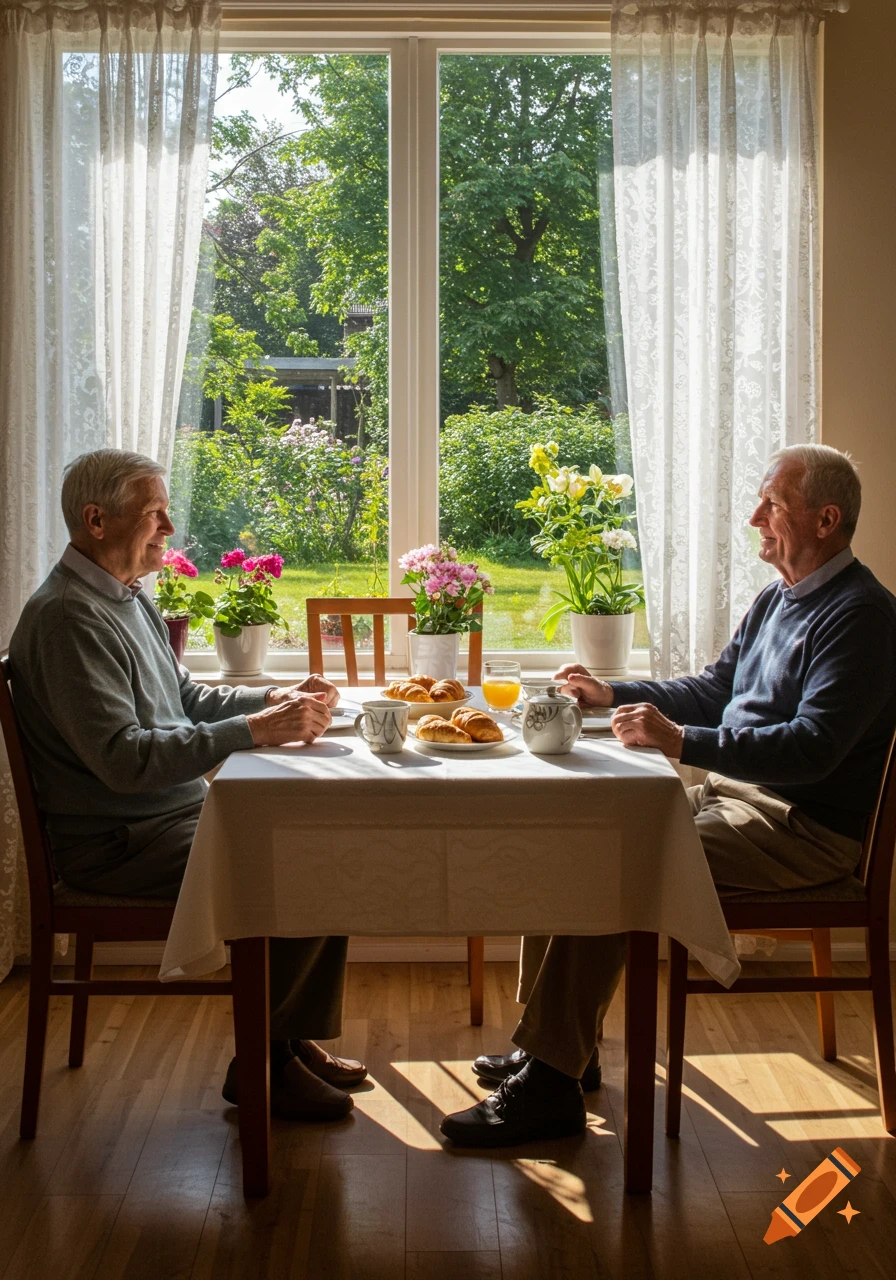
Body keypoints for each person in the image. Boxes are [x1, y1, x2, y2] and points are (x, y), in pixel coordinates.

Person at [442, 443, 896, 1147]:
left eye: (771, 504)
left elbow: (812, 748)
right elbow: (716, 690)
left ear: (827, 519)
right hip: (736, 799)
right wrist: (614, 692)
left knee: (616, 865)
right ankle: (557, 1052)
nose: (755, 517)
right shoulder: (782, 597)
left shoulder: (863, 617)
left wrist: (681, 743)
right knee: (579, 840)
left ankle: (553, 1085)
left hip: (803, 830)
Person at [9, 449, 367, 1123]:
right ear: (96, 520)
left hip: (168, 822)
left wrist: (272, 698)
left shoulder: (123, 598)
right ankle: (266, 1064)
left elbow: (186, 698)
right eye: (153, 514)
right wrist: (258, 732)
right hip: (119, 844)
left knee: (320, 842)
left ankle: (282, 1038)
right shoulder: (67, 619)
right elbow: (124, 761)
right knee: (309, 861)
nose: (169, 527)